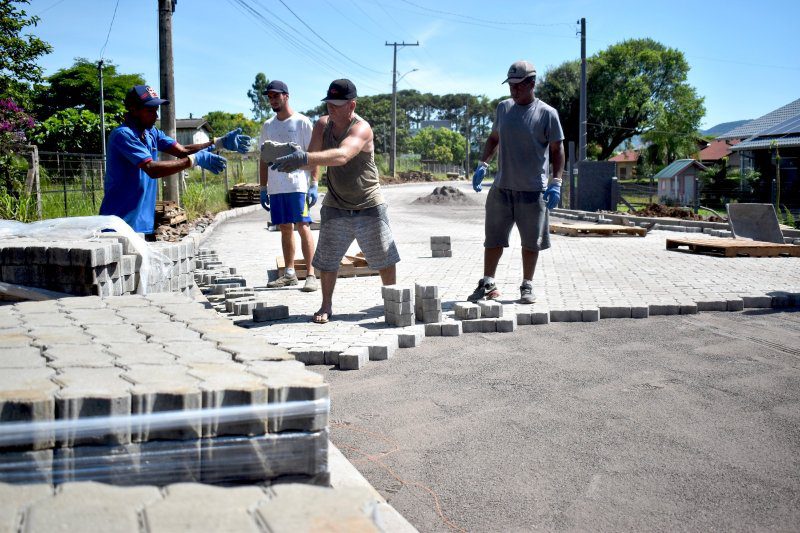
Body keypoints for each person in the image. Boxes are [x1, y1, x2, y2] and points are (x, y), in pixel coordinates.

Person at [271, 79, 400, 324]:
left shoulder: (361, 128)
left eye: (338, 104)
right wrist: (287, 156)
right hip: (336, 202)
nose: (332, 108)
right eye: (329, 103)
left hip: (368, 203)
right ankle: (326, 305)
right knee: (328, 259)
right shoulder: (322, 125)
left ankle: (392, 302)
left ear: (352, 105)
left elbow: (342, 155)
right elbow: (311, 162)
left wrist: (304, 157)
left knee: (384, 257)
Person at [468, 60, 565, 304]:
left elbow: (557, 150)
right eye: (510, 85)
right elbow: (493, 138)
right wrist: (483, 163)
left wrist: (556, 181)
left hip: (533, 191)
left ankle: (527, 285)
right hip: (502, 188)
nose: (514, 90)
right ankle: (488, 283)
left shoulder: (547, 113)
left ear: (532, 83)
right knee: (493, 239)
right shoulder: (503, 109)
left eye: (519, 85)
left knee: (531, 242)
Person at [100, 84, 251, 238]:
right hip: (117, 225)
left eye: (156, 110)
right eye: (150, 110)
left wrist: (218, 142)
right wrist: (194, 160)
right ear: (133, 110)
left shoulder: (151, 132)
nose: (156, 116)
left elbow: (182, 151)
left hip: (141, 225)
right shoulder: (124, 135)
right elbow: (152, 168)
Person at [258, 80, 319, 292]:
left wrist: (314, 183)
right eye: (270, 97)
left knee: (303, 226)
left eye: (276, 95)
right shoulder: (268, 126)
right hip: (276, 187)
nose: (273, 100)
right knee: (285, 228)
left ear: (286, 95)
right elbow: (263, 158)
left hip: (297, 186)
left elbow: (313, 155)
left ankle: (311, 274)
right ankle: (290, 274)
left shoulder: (302, 122)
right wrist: (263, 187)